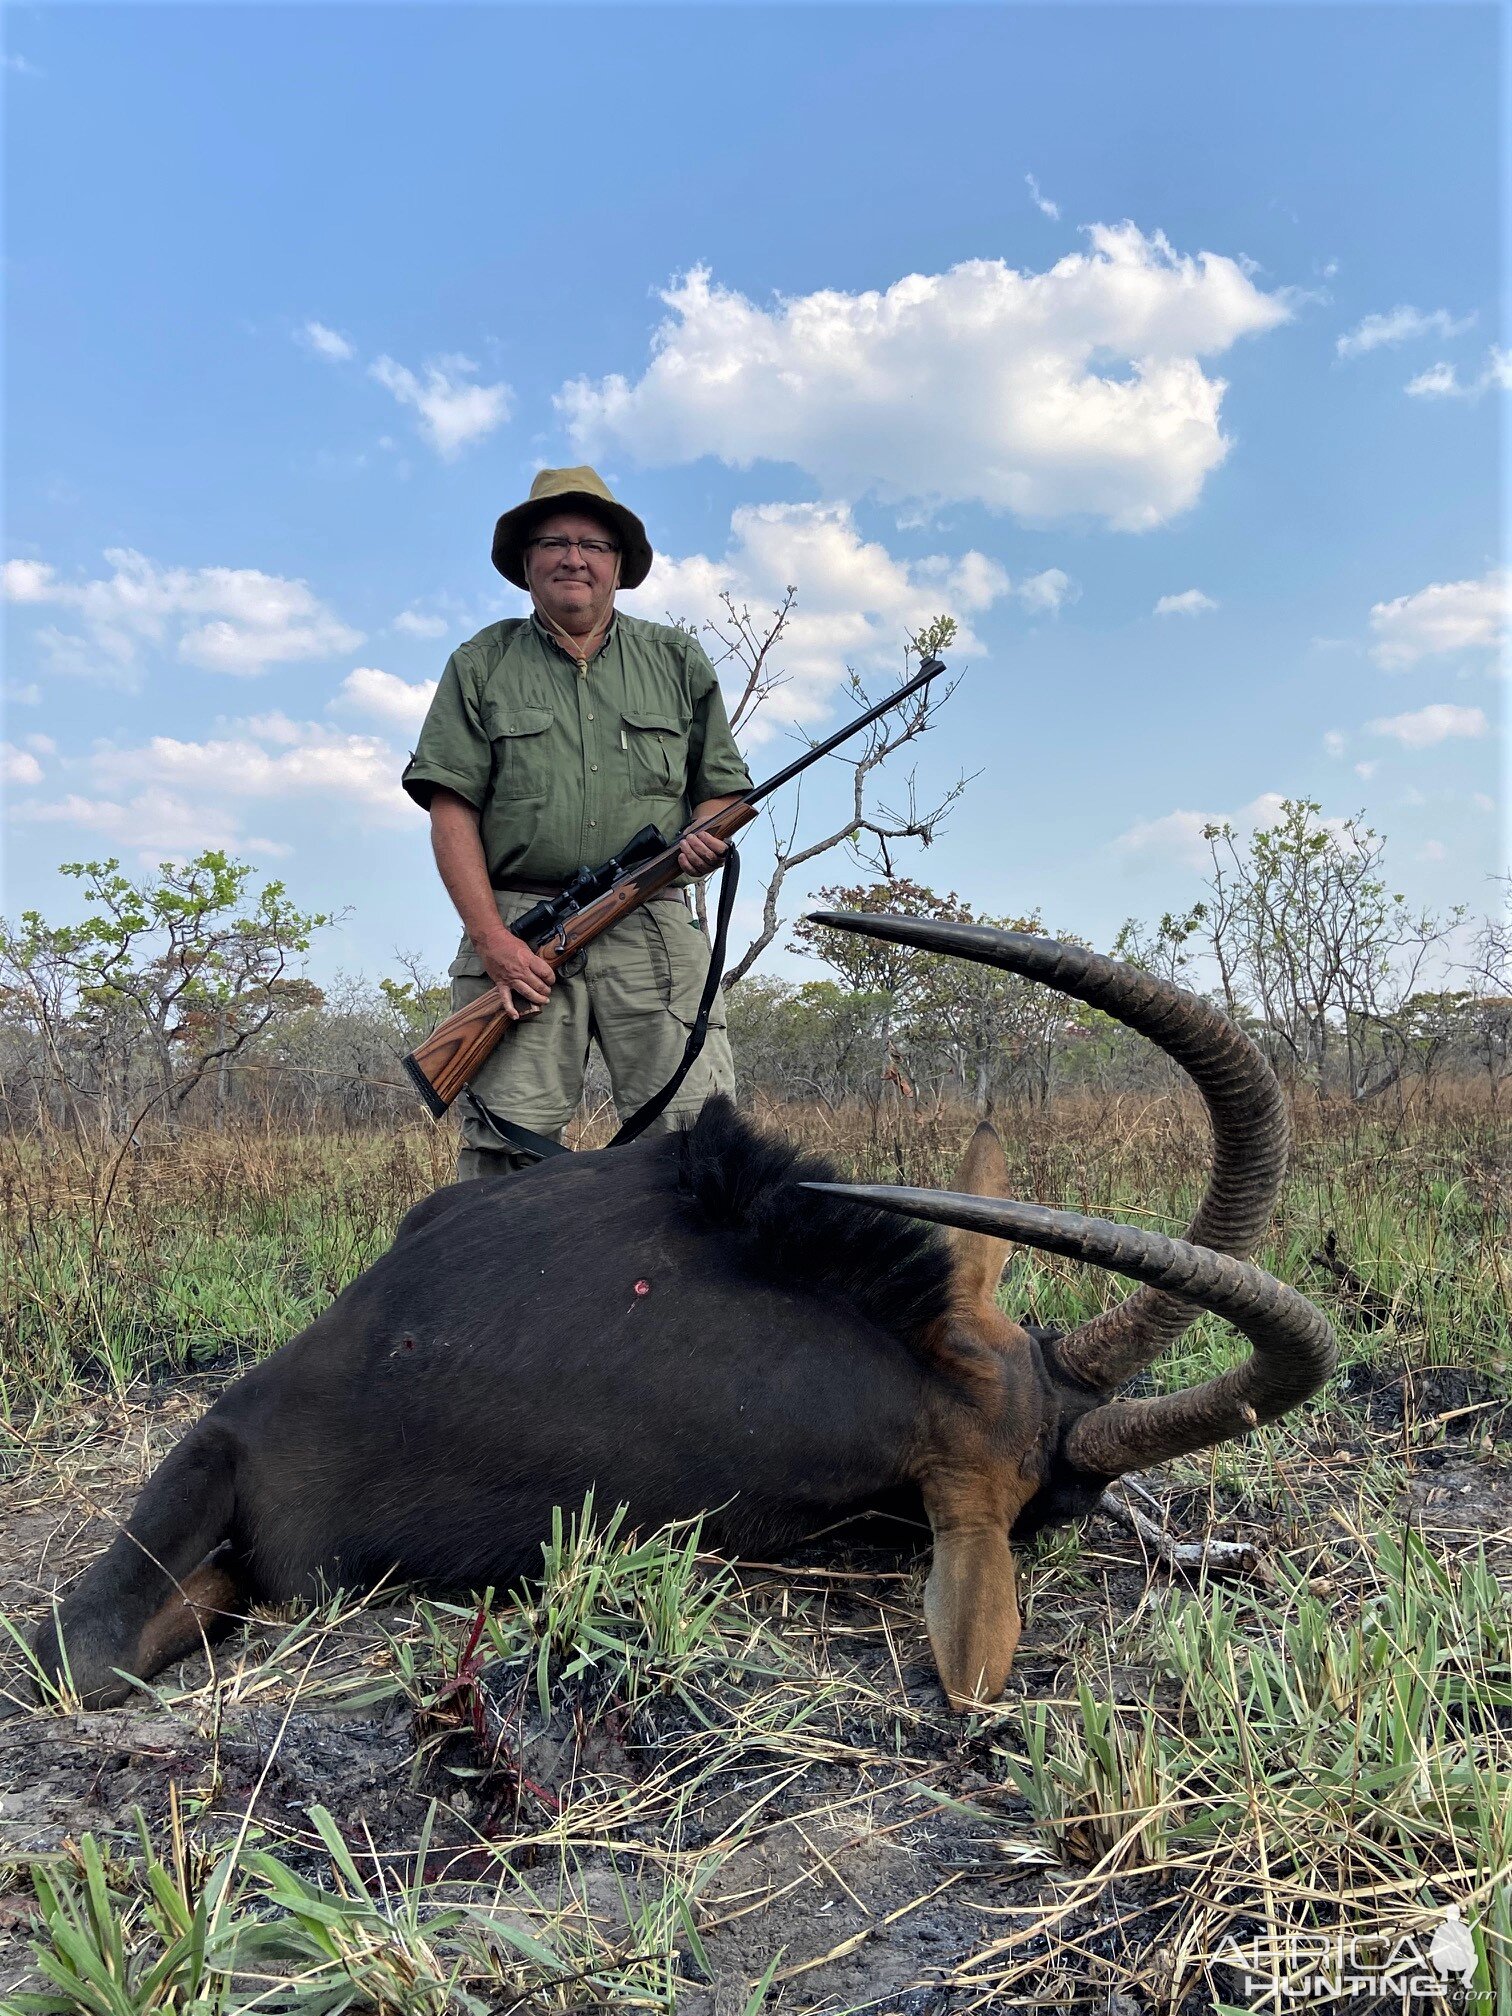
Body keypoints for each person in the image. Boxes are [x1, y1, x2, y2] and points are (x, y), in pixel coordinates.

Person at [402, 466, 752, 1181]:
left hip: (653, 923)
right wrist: (494, 942)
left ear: (618, 566)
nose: (574, 558)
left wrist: (704, 838)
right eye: (554, 541)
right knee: (505, 1147)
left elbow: (722, 792)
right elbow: (450, 811)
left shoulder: (676, 659)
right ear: (526, 563)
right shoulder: (480, 663)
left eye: (593, 543)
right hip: (523, 933)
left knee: (699, 1143)